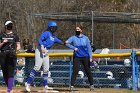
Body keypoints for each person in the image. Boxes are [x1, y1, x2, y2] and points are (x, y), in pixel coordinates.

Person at [25, 21, 64, 92]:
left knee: (46, 69)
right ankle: (27, 84)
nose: (54, 29)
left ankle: (46, 85)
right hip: (40, 49)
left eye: (55, 27)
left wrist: (67, 42)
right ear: (50, 28)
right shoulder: (46, 33)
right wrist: (42, 46)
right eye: (53, 27)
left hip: (46, 52)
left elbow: (61, 42)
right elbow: (40, 39)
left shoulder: (53, 37)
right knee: (37, 67)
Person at [65, 26, 95, 91]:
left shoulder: (86, 38)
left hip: (85, 57)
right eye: (76, 29)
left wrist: (90, 57)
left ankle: (91, 85)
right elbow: (66, 43)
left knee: (88, 71)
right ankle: (72, 86)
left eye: (78, 29)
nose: (77, 30)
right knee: (75, 71)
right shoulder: (73, 37)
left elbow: (89, 49)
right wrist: (73, 48)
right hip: (77, 57)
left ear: (81, 30)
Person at [0, 20, 21, 93]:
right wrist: (3, 42)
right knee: (5, 72)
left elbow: (18, 46)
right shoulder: (1, 35)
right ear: (5, 26)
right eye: (8, 25)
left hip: (12, 54)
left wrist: (16, 50)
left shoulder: (15, 36)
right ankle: (9, 87)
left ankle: (9, 89)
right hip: (3, 55)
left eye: (11, 25)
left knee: (10, 72)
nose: (10, 26)